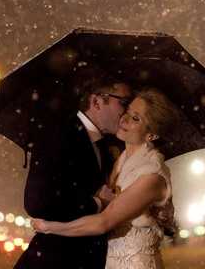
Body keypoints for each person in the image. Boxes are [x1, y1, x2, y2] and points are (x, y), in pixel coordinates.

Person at [33, 88, 178, 269]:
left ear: (152, 135)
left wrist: (50, 227)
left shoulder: (151, 174)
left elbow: (104, 222)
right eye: (127, 111)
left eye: (136, 118)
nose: (124, 119)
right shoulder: (118, 160)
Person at [14, 78, 132, 269]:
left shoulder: (105, 146)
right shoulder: (57, 134)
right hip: (56, 260)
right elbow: (37, 202)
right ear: (96, 102)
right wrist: (97, 203)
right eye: (124, 103)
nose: (127, 112)